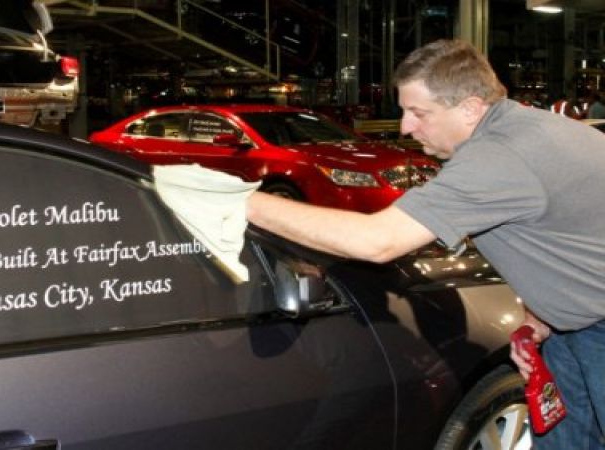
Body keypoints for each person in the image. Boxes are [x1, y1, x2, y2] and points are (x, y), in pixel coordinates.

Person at [246, 39, 605, 449]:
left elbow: (377, 242)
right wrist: (540, 311)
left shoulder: (499, 156)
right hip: (570, 324)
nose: (404, 128)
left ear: (470, 107)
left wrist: (243, 201)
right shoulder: (532, 128)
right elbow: (567, 230)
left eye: (419, 113)